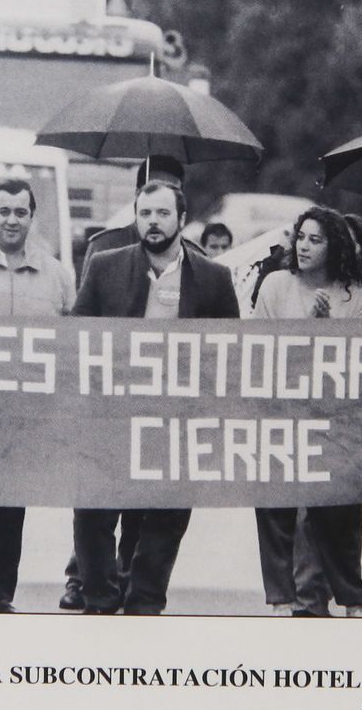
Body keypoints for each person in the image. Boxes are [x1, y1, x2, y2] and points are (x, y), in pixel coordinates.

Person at [71, 180, 240, 614]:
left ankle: (145, 599)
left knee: (166, 515)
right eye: (145, 213)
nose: (153, 222)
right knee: (94, 511)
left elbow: (232, 350)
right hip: (112, 414)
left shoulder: (213, 277)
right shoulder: (105, 265)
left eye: (163, 213)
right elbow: (75, 337)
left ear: (182, 220)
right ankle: (99, 598)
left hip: (177, 418)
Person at [0, 179, 76, 613]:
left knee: (9, 510)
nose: (11, 220)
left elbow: (72, 345)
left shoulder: (58, 275)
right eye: (4, 211)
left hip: (25, 416)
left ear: (31, 217)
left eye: (20, 212)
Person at [253, 206, 362, 617]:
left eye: (315, 239)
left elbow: (357, 358)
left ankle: (352, 597)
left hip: (332, 416)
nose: (303, 246)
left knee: (336, 508)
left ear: (334, 246)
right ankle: (281, 597)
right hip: (282, 408)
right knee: (275, 506)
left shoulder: (355, 294)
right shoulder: (274, 285)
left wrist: (326, 330)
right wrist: (306, 328)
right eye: (300, 237)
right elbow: (260, 348)